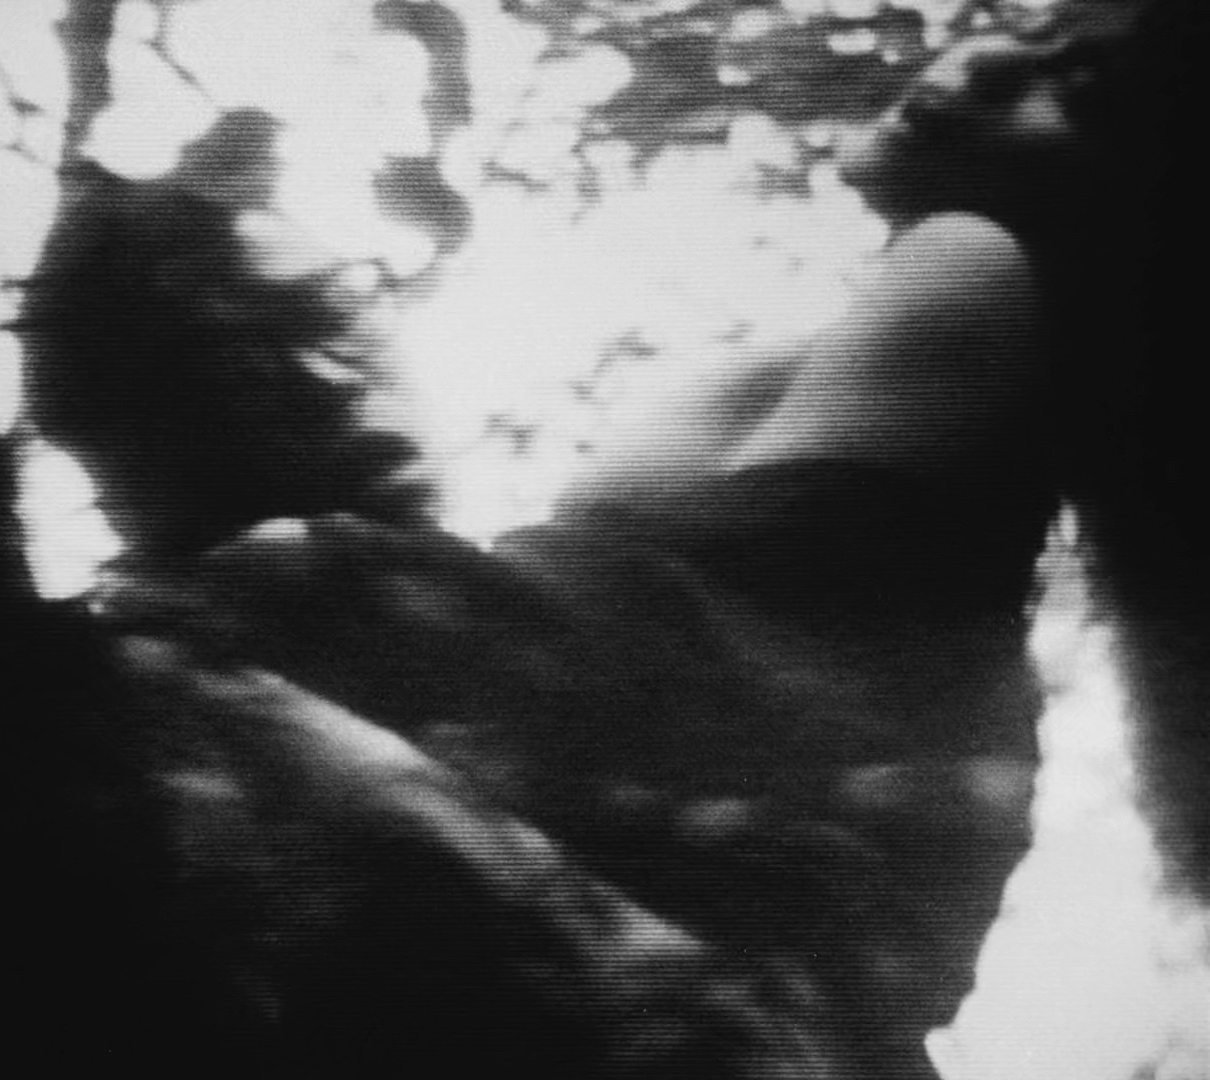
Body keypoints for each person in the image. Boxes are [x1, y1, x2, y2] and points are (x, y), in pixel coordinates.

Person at [91, 18, 1142, 1078]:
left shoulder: (977, 263)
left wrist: (287, 584)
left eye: (1083, 91)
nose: (990, 60)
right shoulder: (910, 359)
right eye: (1033, 31)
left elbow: (701, 691)